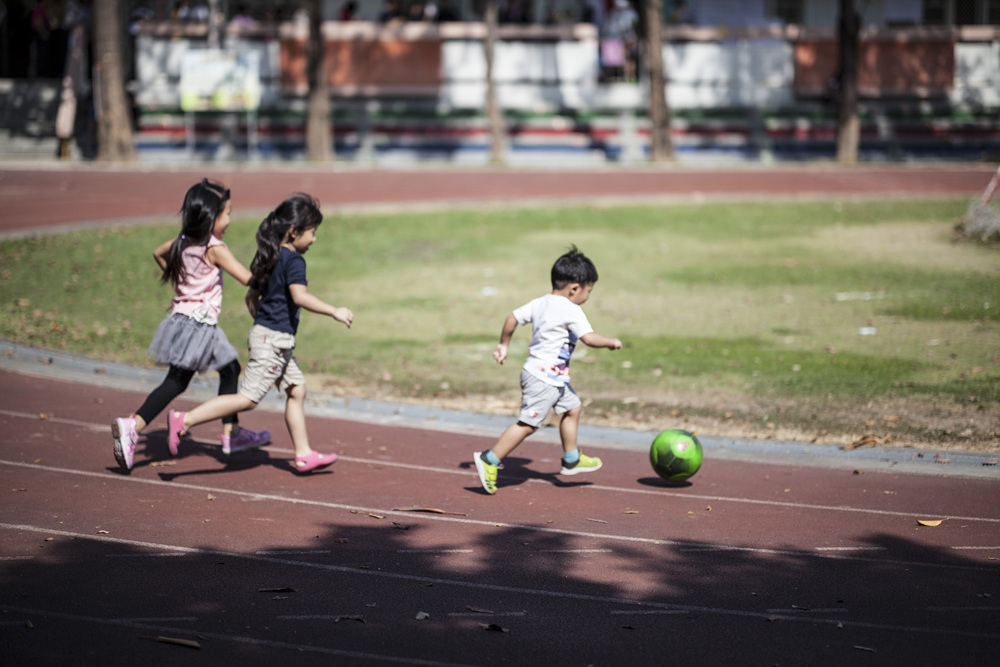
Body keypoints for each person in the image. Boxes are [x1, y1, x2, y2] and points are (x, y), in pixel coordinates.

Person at [164, 194, 354, 474]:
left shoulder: (270, 254)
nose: (314, 239)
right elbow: (299, 297)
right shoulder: (295, 262)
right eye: (312, 232)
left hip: (270, 338)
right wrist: (334, 310)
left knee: (296, 390)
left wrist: (264, 323)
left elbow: (251, 299)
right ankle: (185, 420)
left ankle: (303, 454)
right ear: (294, 231)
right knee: (248, 400)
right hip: (273, 342)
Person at [111, 179, 270, 471]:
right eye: (227, 214)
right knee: (177, 381)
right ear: (210, 218)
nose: (230, 220)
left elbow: (158, 253)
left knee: (230, 368)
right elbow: (247, 279)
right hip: (199, 325)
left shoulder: (182, 241)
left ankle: (232, 433)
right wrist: (275, 283)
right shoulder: (215, 247)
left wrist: (181, 281)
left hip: (182, 320)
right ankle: (132, 424)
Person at [474, 246, 622, 495]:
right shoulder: (571, 309)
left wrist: (504, 344)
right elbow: (588, 338)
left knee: (572, 408)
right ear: (574, 288)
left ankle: (571, 459)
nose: (588, 297)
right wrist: (610, 341)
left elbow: (512, 318)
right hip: (543, 379)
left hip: (550, 377)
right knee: (529, 424)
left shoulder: (540, 303)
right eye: (589, 291)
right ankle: (490, 458)